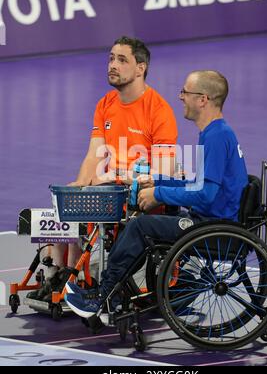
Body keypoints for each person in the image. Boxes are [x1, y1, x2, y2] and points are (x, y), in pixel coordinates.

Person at [65, 69, 249, 320]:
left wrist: (159, 194)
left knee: (141, 226)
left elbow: (205, 195)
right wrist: (156, 180)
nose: (181, 97)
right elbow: (197, 184)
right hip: (213, 221)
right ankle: (135, 292)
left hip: (213, 228)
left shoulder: (216, 137)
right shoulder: (214, 132)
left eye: (185, 92)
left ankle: (104, 297)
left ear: (203, 99)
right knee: (151, 219)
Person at [29, 36, 178, 301]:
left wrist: (116, 178)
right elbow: (93, 154)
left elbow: (163, 171)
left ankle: (72, 277)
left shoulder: (159, 110)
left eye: (122, 60)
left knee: (83, 205)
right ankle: (58, 275)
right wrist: (80, 183)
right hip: (108, 187)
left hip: (137, 191)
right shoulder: (106, 104)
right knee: (66, 200)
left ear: (140, 68)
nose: (113, 65)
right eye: (111, 58)